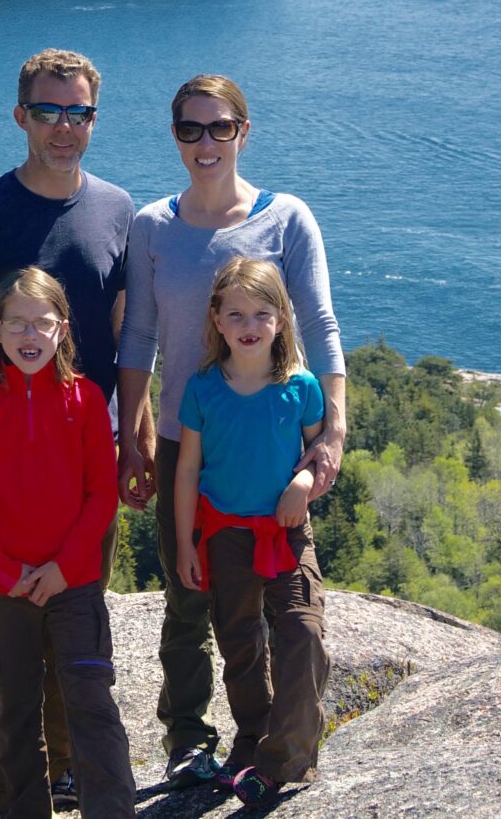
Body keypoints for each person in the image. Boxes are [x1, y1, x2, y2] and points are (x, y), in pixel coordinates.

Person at [115, 73, 348, 787]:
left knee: (274, 605)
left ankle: (269, 749)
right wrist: (134, 434)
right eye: (191, 129)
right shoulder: (153, 225)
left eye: (220, 127)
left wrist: (331, 434)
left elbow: (320, 325)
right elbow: (139, 340)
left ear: (243, 132)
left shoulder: (287, 218)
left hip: (274, 441)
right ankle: (189, 739)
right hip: (190, 435)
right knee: (189, 599)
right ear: (176, 137)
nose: (206, 142)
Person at [0, 48, 133, 817]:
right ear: (21, 116)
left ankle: (68, 775)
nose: (63, 127)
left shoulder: (115, 210)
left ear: (93, 119)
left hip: (85, 461)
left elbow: (123, 337)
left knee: (74, 629)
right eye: (48, 111)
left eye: (78, 112)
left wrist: (132, 437)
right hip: (0, 476)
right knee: (2, 641)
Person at [0, 267, 137, 819]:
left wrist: (66, 568)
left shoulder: (87, 400)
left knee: (91, 702)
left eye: (41, 323)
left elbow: (101, 495)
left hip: (72, 584)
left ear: (62, 330)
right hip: (5, 588)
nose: (29, 336)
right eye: (16, 323)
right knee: (16, 713)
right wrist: (5, 573)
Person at [173, 258, 330, 808]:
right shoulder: (203, 388)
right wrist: (188, 541)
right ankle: (250, 743)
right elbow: (188, 469)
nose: (249, 324)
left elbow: (319, 455)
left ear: (282, 320)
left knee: (303, 635)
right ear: (216, 319)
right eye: (236, 312)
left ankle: (282, 760)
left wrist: (303, 482)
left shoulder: (301, 387)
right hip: (225, 536)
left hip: (286, 532)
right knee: (240, 645)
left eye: (263, 312)